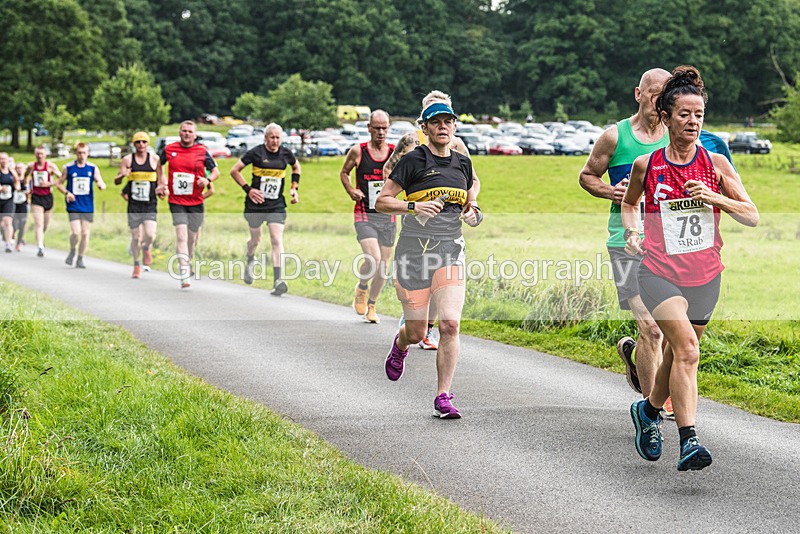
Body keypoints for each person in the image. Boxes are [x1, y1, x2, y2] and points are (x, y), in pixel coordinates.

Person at [622, 66, 758, 471]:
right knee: (687, 350)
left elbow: (751, 215)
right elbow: (630, 204)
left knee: (674, 356)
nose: (693, 121)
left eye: (699, 114)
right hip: (658, 273)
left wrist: (716, 198)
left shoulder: (715, 163)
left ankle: (647, 411)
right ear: (665, 117)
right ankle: (689, 440)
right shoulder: (647, 165)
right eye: (684, 114)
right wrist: (632, 232)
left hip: (705, 276)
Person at [376, 97, 483, 419]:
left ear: (454, 126)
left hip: (450, 250)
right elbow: (382, 201)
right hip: (413, 253)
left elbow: (470, 197)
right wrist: (413, 206)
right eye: (435, 122)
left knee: (450, 324)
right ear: (424, 128)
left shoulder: (462, 163)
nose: (443, 127)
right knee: (418, 329)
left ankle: (443, 396)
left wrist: (474, 211)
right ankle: (401, 344)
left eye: (448, 121)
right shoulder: (413, 161)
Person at [229, 123, 300, 296]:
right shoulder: (256, 153)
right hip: (256, 205)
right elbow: (234, 171)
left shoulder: (286, 153)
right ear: (265, 138)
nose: (275, 141)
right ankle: (250, 259)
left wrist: (294, 188)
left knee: (276, 239)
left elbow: (296, 167)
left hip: (276, 204)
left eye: (277, 138)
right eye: (272, 137)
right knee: (255, 240)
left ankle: (278, 281)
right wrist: (249, 190)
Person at [339, 110, 395, 323]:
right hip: (364, 214)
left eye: (385, 128)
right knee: (373, 259)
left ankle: (372, 305)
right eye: (377, 127)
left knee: (383, 266)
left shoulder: (394, 153)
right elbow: (344, 172)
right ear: (369, 128)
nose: (381, 132)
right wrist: (351, 190)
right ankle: (362, 287)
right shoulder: (358, 151)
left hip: (387, 216)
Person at [156, 120, 219, 289]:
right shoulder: (169, 150)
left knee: (192, 238)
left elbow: (215, 171)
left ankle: (188, 261)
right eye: (183, 131)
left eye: (189, 131)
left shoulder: (202, 151)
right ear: (179, 133)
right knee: (181, 236)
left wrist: (207, 179)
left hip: (196, 201)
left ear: (195, 134)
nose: (186, 134)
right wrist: (161, 183)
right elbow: (158, 164)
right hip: (176, 200)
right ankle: (184, 273)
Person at [115, 131, 162, 278]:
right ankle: (136, 264)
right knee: (136, 237)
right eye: (138, 142)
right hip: (134, 204)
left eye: (144, 142)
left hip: (150, 203)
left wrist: (162, 188)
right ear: (134, 144)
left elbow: (162, 179)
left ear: (148, 144)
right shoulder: (128, 160)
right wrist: (123, 175)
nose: (141, 145)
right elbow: (117, 181)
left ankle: (147, 248)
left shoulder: (155, 160)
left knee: (150, 234)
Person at [56, 142, 107, 268]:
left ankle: (80, 258)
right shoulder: (68, 168)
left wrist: (101, 185)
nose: (82, 155)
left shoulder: (92, 168)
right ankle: (72, 249)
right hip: (73, 205)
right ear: (76, 153)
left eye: (84, 153)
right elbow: (59, 183)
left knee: (85, 233)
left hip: (87, 205)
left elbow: (99, 180)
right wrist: (67, 193)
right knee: (76, 232)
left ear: (88, 153)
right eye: (79, 153)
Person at [24, 145, 62, 257]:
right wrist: (27, 187)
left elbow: (61, 178)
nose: (40, 156)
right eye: (38, 154)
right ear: (35, 155)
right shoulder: (31, 166)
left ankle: (41, 237)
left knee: (45, 224)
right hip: (36, 197)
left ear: (45, 155)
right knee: (39, 223)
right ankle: (40, 246)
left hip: (48, 197)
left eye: (42, 154)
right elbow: (25, 176)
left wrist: (50, 183)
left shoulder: (50, 166)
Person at [0, 153, 22, 252]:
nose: (3, 161)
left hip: (9, 200)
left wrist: (17, 187)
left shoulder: (11, 172)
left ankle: (8, 243)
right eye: (1, 159)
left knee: (8, 221)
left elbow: (17, 181)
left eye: (5, 159)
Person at [12, 162, 30, 251]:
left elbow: (30, 190)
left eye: (21, 168)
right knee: (14, 225)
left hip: (23, 204)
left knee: (22, 224)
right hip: (13, 204)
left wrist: (28, 193)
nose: (19, 170)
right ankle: (12, 234)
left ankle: (18, 243)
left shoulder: (27, 180)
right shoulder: (13, 179)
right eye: (17, 168)